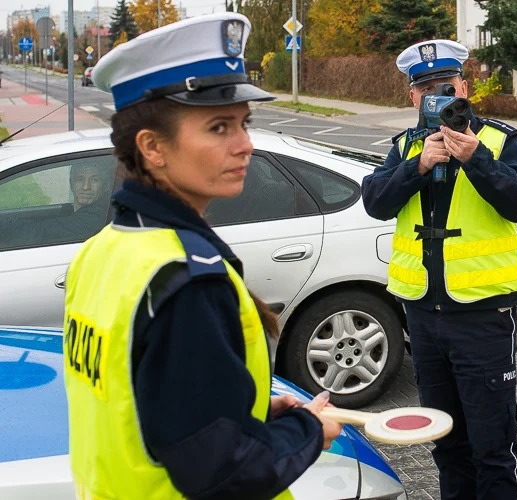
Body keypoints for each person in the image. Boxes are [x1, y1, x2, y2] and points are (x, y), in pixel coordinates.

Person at [61, 13, 342, 500]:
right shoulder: (186, 278)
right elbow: (224, 473)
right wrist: (309, 432)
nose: (245, 145)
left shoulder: (101, 250)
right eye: (218, 128)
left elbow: (144, 403)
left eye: (243, 124)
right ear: (152, 148)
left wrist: (241, 410)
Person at [361, 39, 517, 500]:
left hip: (483, 318)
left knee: (492, 450)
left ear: (465, 88)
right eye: (426, 90)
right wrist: (418, 165)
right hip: (423, 318)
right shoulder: (406, 146)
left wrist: (475, 159)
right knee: (446, 444)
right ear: (411, 97)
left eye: (445, 86)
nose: (437, 97)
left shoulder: (498, 140)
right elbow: (375, 202)